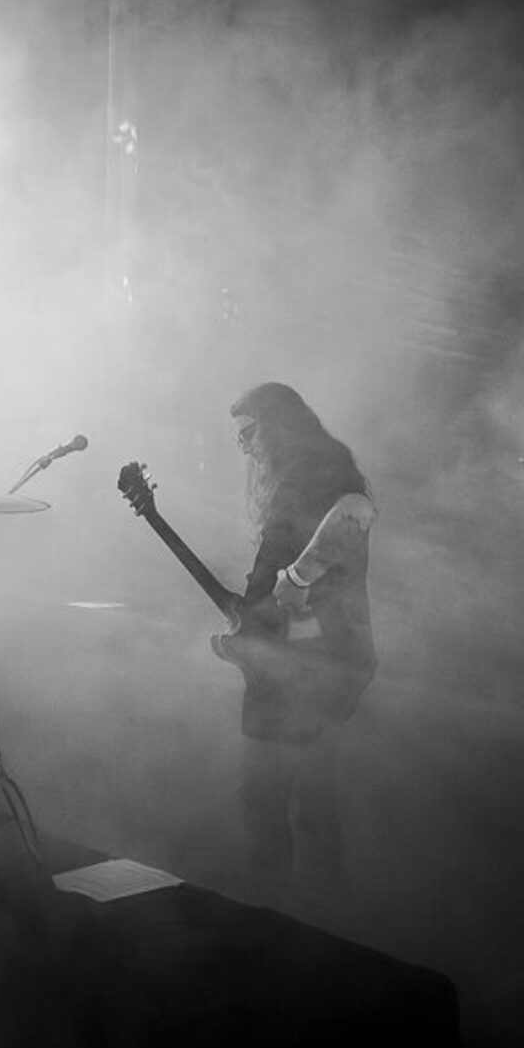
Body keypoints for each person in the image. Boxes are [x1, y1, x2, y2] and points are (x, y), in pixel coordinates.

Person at [217, 381, 376, 913]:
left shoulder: (319, 472)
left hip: (309, 668)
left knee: (265, 800)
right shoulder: (296, 479)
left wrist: (301, 573)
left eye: (250, 433)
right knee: (310, 804)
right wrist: (250, 626)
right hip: (304, 663)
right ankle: (326, 919)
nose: (244, 446)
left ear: (279, 426)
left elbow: (358, 509)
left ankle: (276, 921)